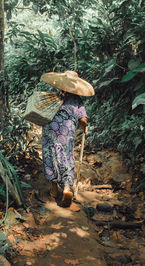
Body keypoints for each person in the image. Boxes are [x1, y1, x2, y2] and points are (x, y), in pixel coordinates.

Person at [40, 71, 94, 207]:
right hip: (66, 132)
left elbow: (43, 109)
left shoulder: (53, 93)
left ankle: (53, 190)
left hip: (50, 129)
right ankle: (66, 188)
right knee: (66, 157)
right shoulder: (76, 100)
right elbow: (83, 119)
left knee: (50, 155)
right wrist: (84, 128)